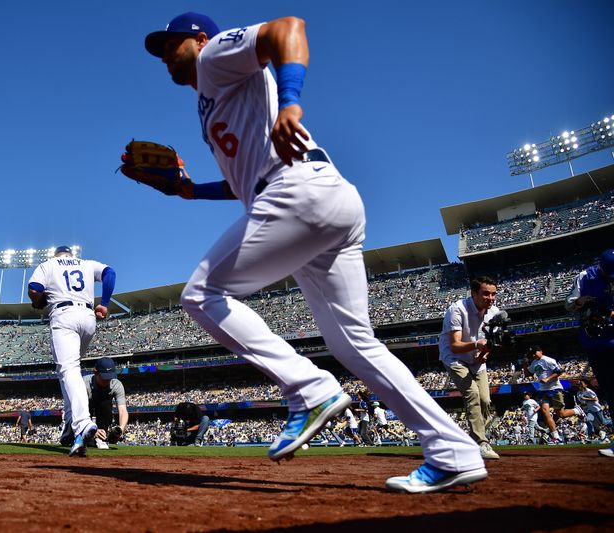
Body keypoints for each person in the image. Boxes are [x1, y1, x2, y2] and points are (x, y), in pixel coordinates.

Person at [139, 12, 485, 493]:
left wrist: (291, 104)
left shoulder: (216, 55)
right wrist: (190, 191)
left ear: (199, 39)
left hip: (296, 193)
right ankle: (453, 451)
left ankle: (308, 387)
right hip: (322, 199)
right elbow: (246, 181)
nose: (163, 56)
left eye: (169, 45)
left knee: (201, 294)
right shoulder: (212, 97)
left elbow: (287, 28)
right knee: (353, 343)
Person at [28, 245, 116, 457]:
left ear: (56, 255)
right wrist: (104, 303)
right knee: (68, 372)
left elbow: (34, 288)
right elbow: (109, 273)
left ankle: (83, 423)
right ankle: (70, 424)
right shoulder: (86, 264)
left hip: (64, 314)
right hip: (87, 318)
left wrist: (38, 301)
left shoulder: (48, 264)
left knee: (69, 369)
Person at [438, 276, 501, 460]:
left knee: (486, 401)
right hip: (454, 357)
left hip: (476, 358)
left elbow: (489, 344)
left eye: (493, 294)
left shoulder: (494, 312)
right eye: (485, 294)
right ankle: (481, 442)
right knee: (472, 394)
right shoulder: (457, 309)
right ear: (473, 294)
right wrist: (477, 345)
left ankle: (473, 437)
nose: (490, 298)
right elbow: (455, 345)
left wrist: (483, 354)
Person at [566, 249, 614, 457]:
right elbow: (568, 304)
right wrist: (581, 301)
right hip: (595, 341)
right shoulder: (585, 276)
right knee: (611, 390)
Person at [522, 346, 585, 445]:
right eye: (532, 353)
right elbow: (527, 375)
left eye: (535, 352)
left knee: (561, 414)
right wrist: (525, 364)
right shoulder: (534, 363)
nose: (534, 355)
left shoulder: (548, 360)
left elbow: (559, 371)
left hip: (555, 388)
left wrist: (547, 379)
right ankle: (556, 437)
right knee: (545, 411)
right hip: (543, 390)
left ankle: (577, 410)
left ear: (541, 351)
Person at [82, 357, 129, 449]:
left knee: (106, 403)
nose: (107, 381)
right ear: (96, 373)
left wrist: (121, 429)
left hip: (103, 409)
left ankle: (101, 437)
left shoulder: (116, 384)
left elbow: (123, 410)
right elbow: (78, 410)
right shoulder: (84, 383)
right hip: (86, 409)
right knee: (71, 440)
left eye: (110, 377)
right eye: (104, 378)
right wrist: (91, 429)